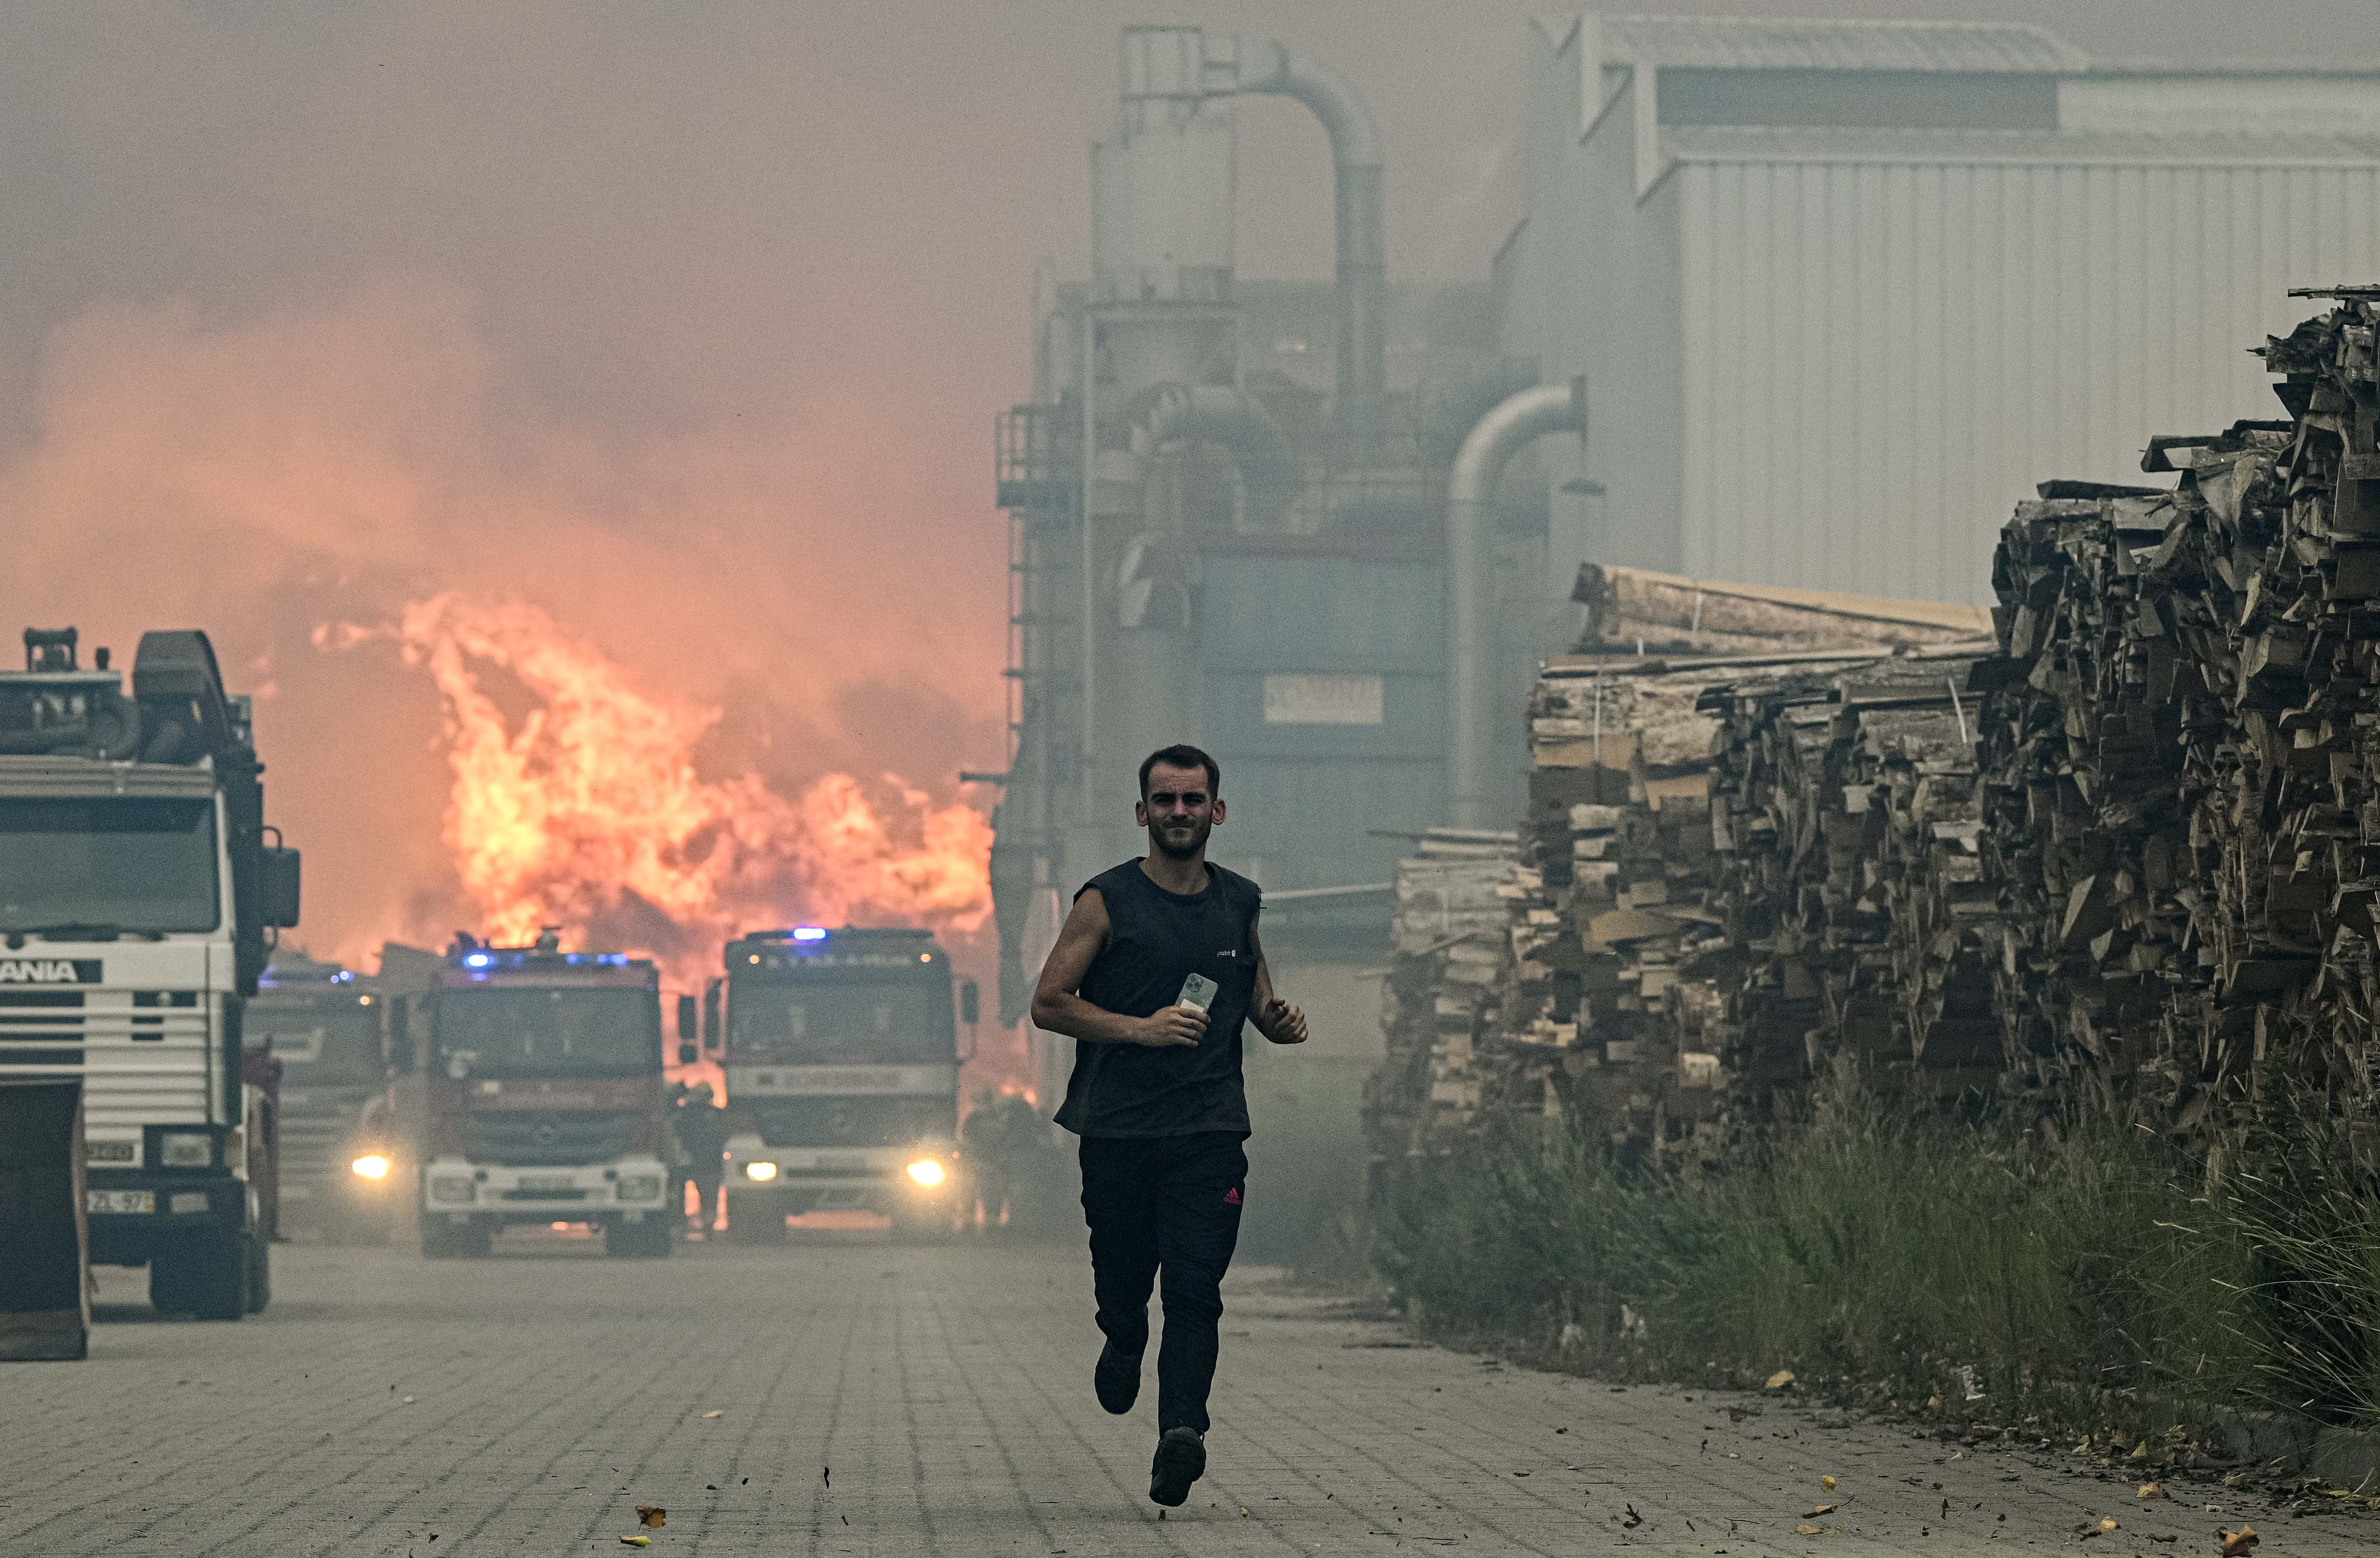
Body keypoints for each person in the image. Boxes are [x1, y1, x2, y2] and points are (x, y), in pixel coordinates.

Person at [1031, 742, 1308, 1507]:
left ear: (1216, 810)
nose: (1179, 812)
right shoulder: (1107, 900)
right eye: (1165, 800)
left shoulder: (1240, 900)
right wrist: (1138, 1029)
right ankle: (1122, 1339)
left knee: (1195, 1289)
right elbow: (1048, 1002)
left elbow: (1251, 987)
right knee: (1125, 1280)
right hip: (1116, 1130)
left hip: (1209, 1130)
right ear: (1142, 812)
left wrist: (1276, 1019)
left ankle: (1181, 1432)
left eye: (1193, 800)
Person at [673, 1081, 727, 1237]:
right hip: (697, 1161)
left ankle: (698, 1226)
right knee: (685, 1195)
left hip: (702, 1162)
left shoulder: (685, 1114)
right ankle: (689, 1226)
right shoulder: (688, 1114)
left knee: (706, 1196)